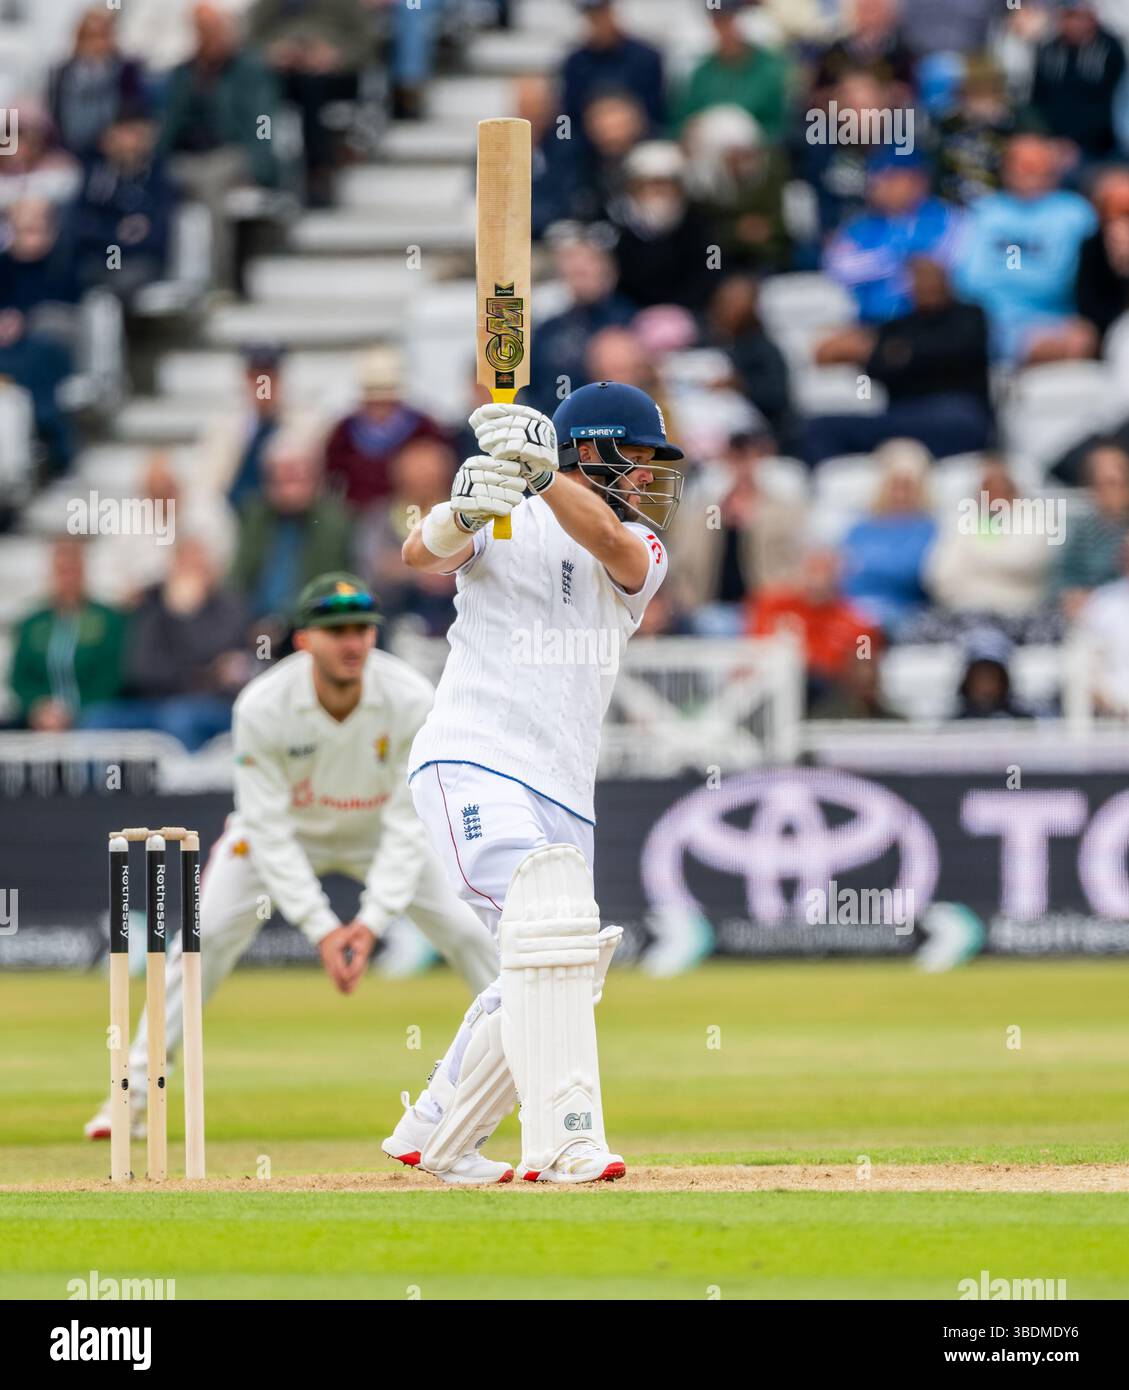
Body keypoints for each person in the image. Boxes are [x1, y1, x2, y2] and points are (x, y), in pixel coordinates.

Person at [382, 380, 684, 1185]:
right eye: (640, 457)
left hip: (562, 789)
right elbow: (419, 555)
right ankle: (568, 1139)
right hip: (473, 758)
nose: (650, 477)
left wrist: (545, 477)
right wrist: (462, 509)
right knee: (545, 937)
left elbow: (613, 551)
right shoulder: (506, 517)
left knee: (562, 966)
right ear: (594, 450)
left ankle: (436, 1133)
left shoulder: (640, 550)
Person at [84, 572, 500, 1142]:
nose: (352, 643)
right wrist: (326, 929)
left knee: (474, 935)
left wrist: (371, 921)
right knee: (194, 950)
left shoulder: (409, 697)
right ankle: (130, 1097)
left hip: (381, 832)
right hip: (280, 838)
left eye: (361, 629)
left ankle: (529, 1081)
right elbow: (267, 830)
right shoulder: (262, 705)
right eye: (336, 631)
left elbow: (410, 823)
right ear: (305, 640)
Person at [805, 256, 992, 463]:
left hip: (957, 415)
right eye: (917, 277)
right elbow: (875, 365)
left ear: (946, 280)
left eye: (930, 277)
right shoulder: (896, 326)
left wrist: (905, 355)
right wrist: (900, 355)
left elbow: (957, 353)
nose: (925, 284)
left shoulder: (971, 316)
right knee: (819, 428)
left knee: (958, 419)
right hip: (900, 418)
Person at [80, 536, 250, 750]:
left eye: (196, 565)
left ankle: (189, 784)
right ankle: (106, 784)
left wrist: (185, 615)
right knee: (97, 719)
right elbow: (139, 668)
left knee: (179, 719)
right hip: (152, 702)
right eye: (183, 564)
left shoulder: (230, 608)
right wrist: (173, 612)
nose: (189, 573)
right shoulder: (152, 606)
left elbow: (215, 667)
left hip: (207, 704)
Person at [954, 134, 1098, 364]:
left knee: (1079, 339)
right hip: (986, 322)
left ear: (1052, 168)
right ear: (1006, 168)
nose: (1028, 172)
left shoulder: (1076, 213)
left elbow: (1057, 281)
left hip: (1052, 321)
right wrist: (1026, 275)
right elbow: (969, 280)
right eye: (1021, 164)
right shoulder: (984, 211)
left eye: (1037, 165)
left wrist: (1007, 276)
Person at [667, 427, 803, 635]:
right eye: (737, 457)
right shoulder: (703, 511)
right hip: (709, 608)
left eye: (750, 456)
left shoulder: (782, 511)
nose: (744, 466)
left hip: (764, 608)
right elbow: (684, 561)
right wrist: (689, 603)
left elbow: (794, 562)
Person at [248, 0, 372, 206]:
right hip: (282, 73)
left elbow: (365, 43)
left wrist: (335, 57)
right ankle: (262, 167)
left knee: (311, 85)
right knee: (263, 88)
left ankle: (318, 172)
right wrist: (273, 54)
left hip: (334, 75)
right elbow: (249, 39)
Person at [231, 432, 352, 636]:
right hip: (257, 627)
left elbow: (338, 586)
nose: (289, 491)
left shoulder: (337, 522)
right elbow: (237, 580)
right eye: (279, 481)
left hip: (316, 627)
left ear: (316, 478)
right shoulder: (254, 517)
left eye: (296, 480)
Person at [824, 147, 964, 324]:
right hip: (869, 323)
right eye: (876, 175)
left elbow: (947, 265)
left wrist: (888, 266)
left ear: (919, 180)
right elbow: (839, 268)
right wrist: (896, 259)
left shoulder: (948, 217)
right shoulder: (861, 224)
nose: (878, 184)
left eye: (891, 177)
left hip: (930, 322)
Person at [9, 536, 127, 730]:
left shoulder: (108, 620)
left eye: (73, 570)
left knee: (98, 722)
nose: (68, 578)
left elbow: (114, 675)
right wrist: (39, 707)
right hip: (39, 718)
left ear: (83, 572)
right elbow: (19, 678)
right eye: (62, 571)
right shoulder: (33, 623)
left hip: (94, 714)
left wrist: (73, 710)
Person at [324, 345, 447, 508]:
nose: (379, 407)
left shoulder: (424, 428)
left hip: (413, 511)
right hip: (360, 514)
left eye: (385, 400)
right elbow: (331, 478)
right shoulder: (344, 432)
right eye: (373, 400)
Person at [838, 440, 937, 636]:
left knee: (867, 630)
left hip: (905, 614)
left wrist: (868, 568)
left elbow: (914, 574)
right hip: (852, 611)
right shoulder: (859, 528)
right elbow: (841, 575)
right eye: (894, 486)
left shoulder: (928, 530)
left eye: (907, 487)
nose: (899, 494)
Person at [673, 0, 792, 141]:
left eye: (729, 20)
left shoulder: (771, 68)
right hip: (706, 150)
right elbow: (681, 122)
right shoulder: (702, 72)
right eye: (719, 21)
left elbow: (782, 124)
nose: (725, 29)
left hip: (757, 151)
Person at [1029, 0, 1126, 166]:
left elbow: (1115, 103)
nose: (1075, 23)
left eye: (1080, 16)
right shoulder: (1048, 50)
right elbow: (1038, 100)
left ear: (1092, 17)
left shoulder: (1110, 49)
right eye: (1069, 16)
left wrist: (1078, 142)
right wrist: (1051, 140)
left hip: (1101, 147)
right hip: (1053, 144)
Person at [47, 6, 146, 160]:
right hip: (69, 148)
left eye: (102, 36)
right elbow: (55, 113)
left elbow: (133, 111)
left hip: (110, 152)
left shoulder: (126, 70)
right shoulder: (62, 72)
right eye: (90, 36)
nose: (97, 43)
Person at [561, 0, 665, 141]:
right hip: (589, 141)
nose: (599, 22)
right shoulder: (576, 62)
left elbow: (656, 109)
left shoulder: (646, 57)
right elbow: (569, 113)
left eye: (602, 14)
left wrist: (623, 119)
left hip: (640, 136)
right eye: (593, 17)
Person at [1051, 443, 1129, 620]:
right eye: (1106, 483)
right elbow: (1064, 576)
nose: (1115, 490)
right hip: (1091, 611)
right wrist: (1073, 595)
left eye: (1119, 482)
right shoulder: (1081, 528)